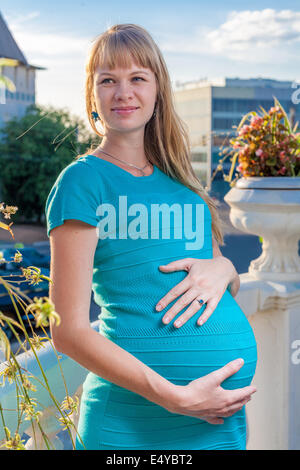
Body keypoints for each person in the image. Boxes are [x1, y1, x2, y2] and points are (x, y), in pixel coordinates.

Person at [45, 24, 257, 450]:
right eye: (108, 80)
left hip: (218, 423)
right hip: (133, 425)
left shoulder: (184, 185)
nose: (123, 92)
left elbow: (222, 282)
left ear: (158, 90)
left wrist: (224, 267)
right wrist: (176, 398)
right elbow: (67, 330)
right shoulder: (82, 182)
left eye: (137, 78)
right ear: (93, 95)